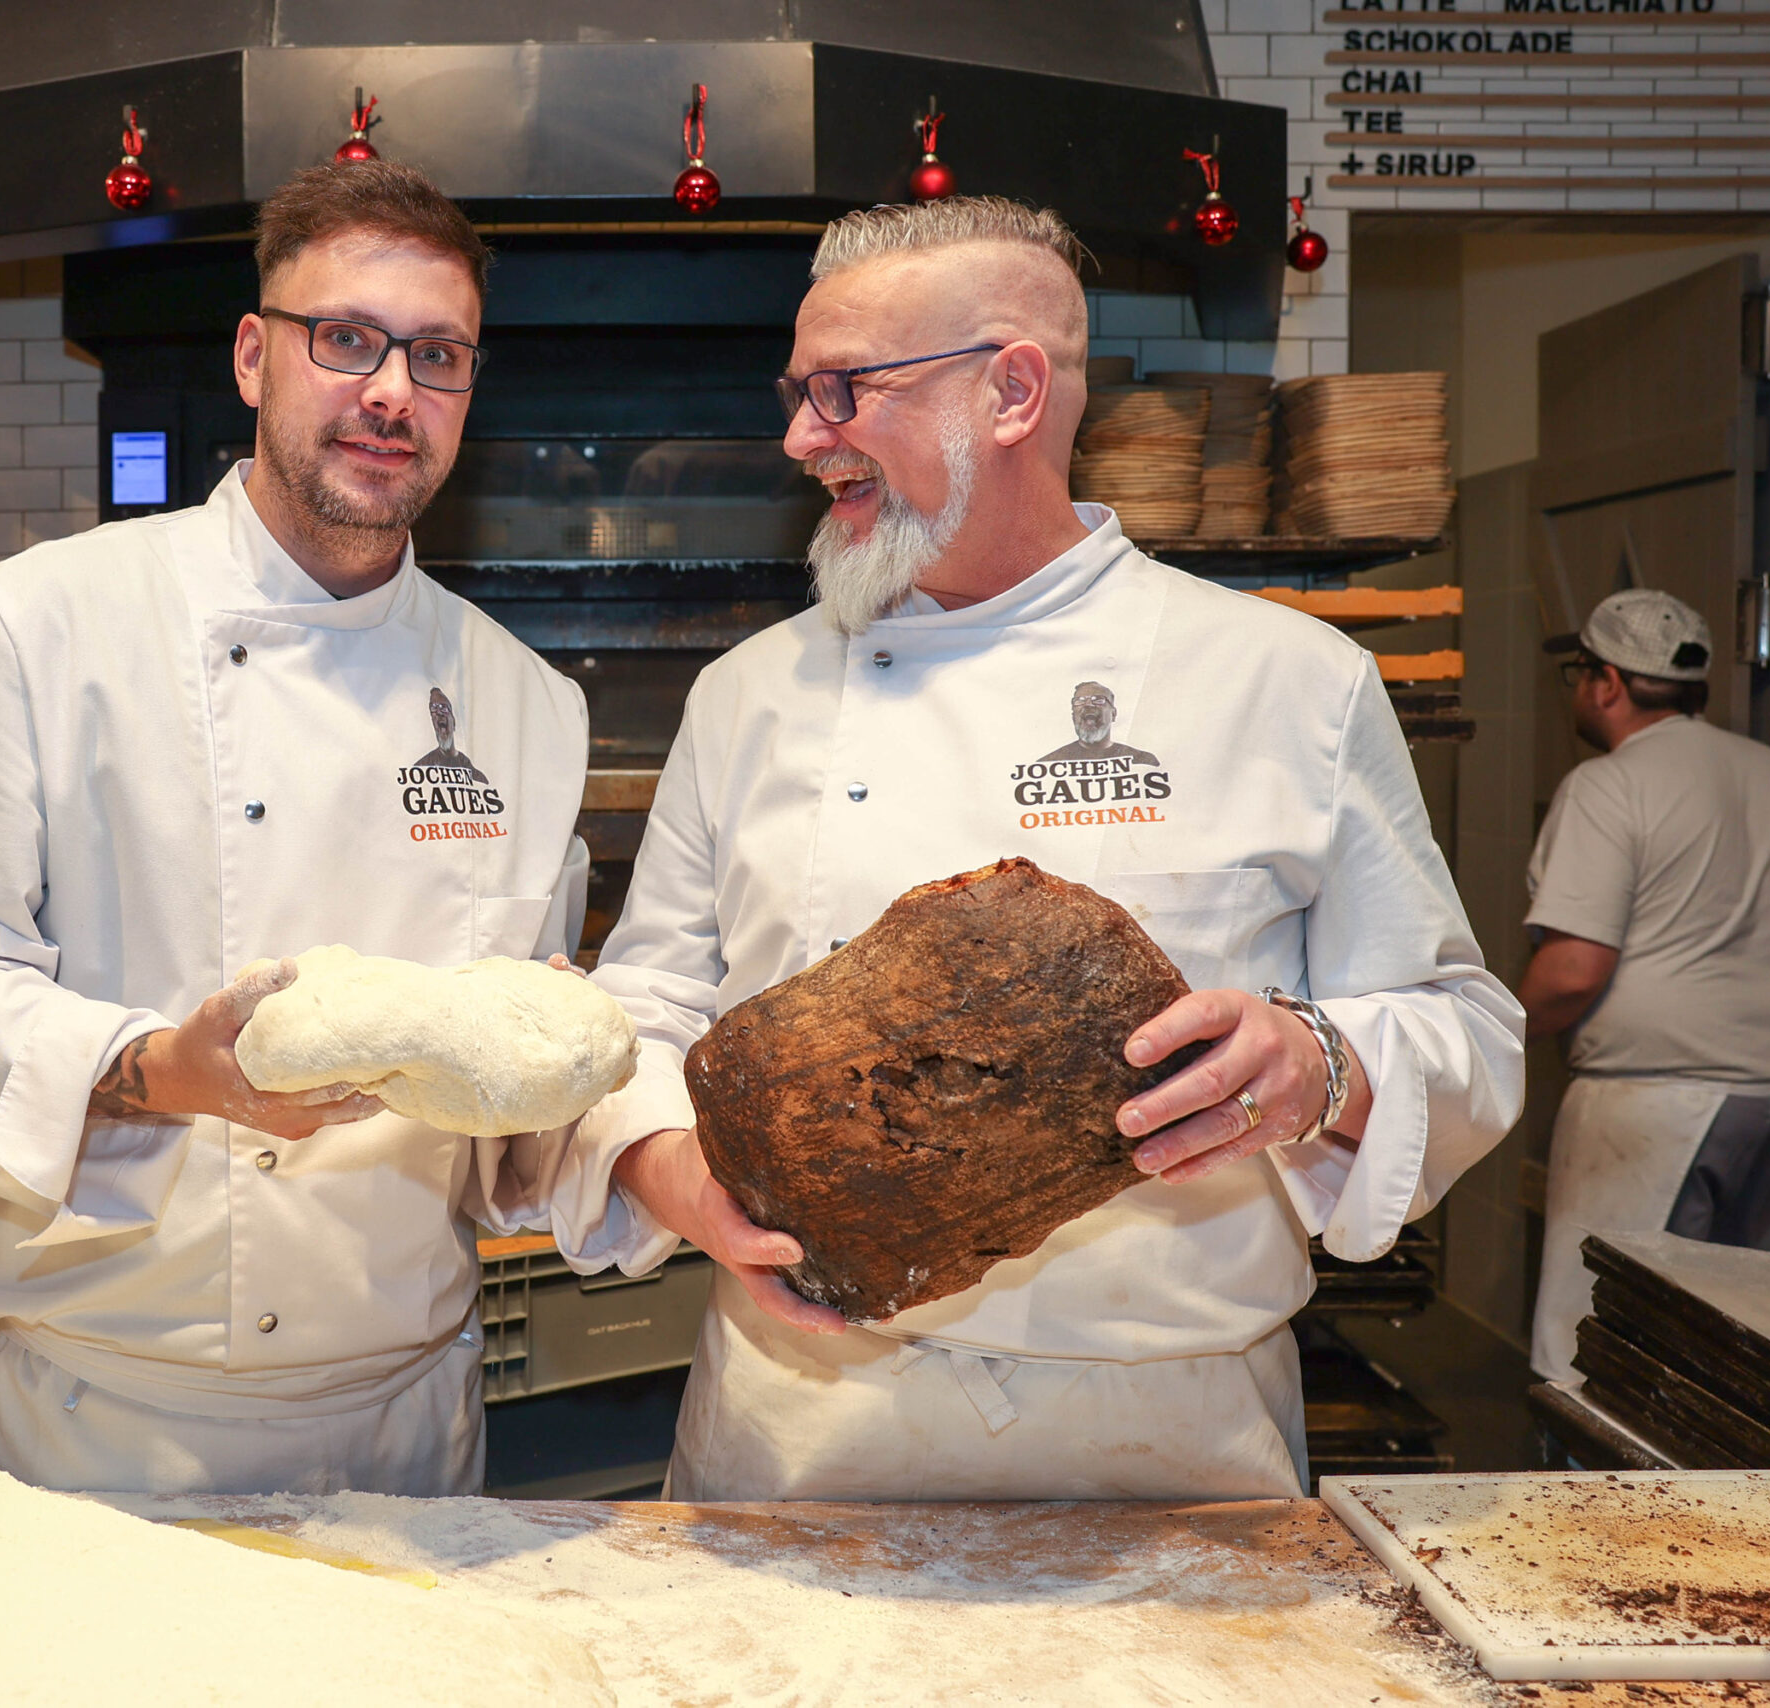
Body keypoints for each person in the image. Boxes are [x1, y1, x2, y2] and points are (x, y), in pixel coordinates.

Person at [577, 196, 1525, 1501]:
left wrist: (1314, 1065)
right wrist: (665, 1165)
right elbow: (642, 1015)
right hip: (800, 1438)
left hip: (1169, 1460)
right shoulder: (750, 696)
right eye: (799, 394)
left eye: (846, 391)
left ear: (1011, 391)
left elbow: (1463, 1032)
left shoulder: (1288, 683)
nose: (803, 439)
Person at [0, 161, 648, 1497]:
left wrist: (581, 1108)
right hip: (102, 1435)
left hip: (410, 1427)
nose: (393, 390)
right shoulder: (39, 627)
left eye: (437, 355)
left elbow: (499, 1130)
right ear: (256, 358)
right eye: (348, 340)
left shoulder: (527, 705)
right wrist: (158, 1068)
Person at [1520, 589, 1770, 1385]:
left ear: (1607, 683)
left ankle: (1595, 1507)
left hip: (1661, 1100)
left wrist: (1488, 1035)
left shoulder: (1607, 786)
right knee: (1745, 1345)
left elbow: (1573, 969)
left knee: (1606, 1342)